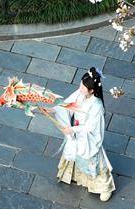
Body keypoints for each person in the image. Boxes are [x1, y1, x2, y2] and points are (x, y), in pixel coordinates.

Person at [49, 66, 115, 201]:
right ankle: (74, 175)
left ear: (91, 90)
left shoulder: (97, 106)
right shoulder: (80, 94)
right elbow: (68, 104)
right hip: (77, 131)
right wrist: (54, 110)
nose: (80, 89)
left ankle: (105, 187)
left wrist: (73, 129)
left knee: (93, 160)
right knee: (75, 153)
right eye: (80, 85)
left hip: (88, 136)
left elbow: (91, 127)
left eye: (83, 87)